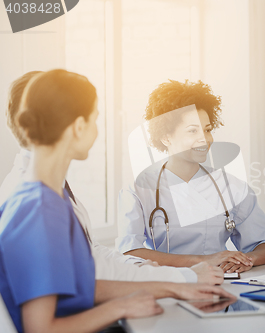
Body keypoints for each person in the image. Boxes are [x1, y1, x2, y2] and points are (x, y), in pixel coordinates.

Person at [0, 70, 233, 333]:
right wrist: (120, 307)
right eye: (95, 119)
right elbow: (39, 329)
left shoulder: (50, 197)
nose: (98, 130)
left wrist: (175, 286)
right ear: (78, 127)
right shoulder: (37, 210)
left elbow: (79, 282)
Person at [116, 80, 265, 273]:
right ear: (166, 137)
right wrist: (204, 260)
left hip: (220, 285)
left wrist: (245, 259)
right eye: (193, 131)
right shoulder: (138, 189)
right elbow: (129, 252)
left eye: (208, 129)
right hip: (166, 286)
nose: (205, 139)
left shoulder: (231, 187)